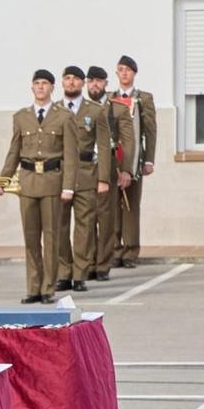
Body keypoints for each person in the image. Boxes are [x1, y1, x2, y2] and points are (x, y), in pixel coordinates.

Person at [0, 68, 79, 302]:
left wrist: (68, 186)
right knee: (30, 238)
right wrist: (2, 181)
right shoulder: (21, 117)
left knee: (51, 238)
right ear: (32, 87)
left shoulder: (64, 117)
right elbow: (14, 152)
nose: (41, 87)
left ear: (52, 88)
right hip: (28, 183)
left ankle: (48, 288)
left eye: (45, 83)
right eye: (37, 83)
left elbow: (71, 155)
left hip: (52, 182)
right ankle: (33, 287)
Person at [54, 65, 111, 290]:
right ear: (62, 82)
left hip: (87, 172)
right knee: (59, 225)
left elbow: (104, 147)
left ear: (82, 83)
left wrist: (104, 178)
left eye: (76, 79)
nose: (71, 83)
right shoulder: (55, 110)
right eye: (67, 78)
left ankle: (80, 273)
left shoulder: (95, 110)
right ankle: (63, 272)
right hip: (59, 174)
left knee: (84, 227)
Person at [85, 65, 133, 282]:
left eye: (99, 80)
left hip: (108, 166)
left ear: (106, 83)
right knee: (85, 217)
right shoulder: (79, 109)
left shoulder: (117, 109)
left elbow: (129, 141)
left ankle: (102, 264)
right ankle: (85, 262)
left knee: (105, 218)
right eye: (91, 80)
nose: (94, 84)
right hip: (84, 168)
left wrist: (126, 170)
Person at [108, 55, 155, 267]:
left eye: (128, 69)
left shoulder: (143, 98)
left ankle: (130, 251)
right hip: (113, 159)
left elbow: (150, 131)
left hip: (134, 158)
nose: (124, 73)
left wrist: (149, 160)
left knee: (131, 206)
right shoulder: (109, 98)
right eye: (120, 69)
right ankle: (115, 250)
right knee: (113, 206)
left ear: (134, 73)